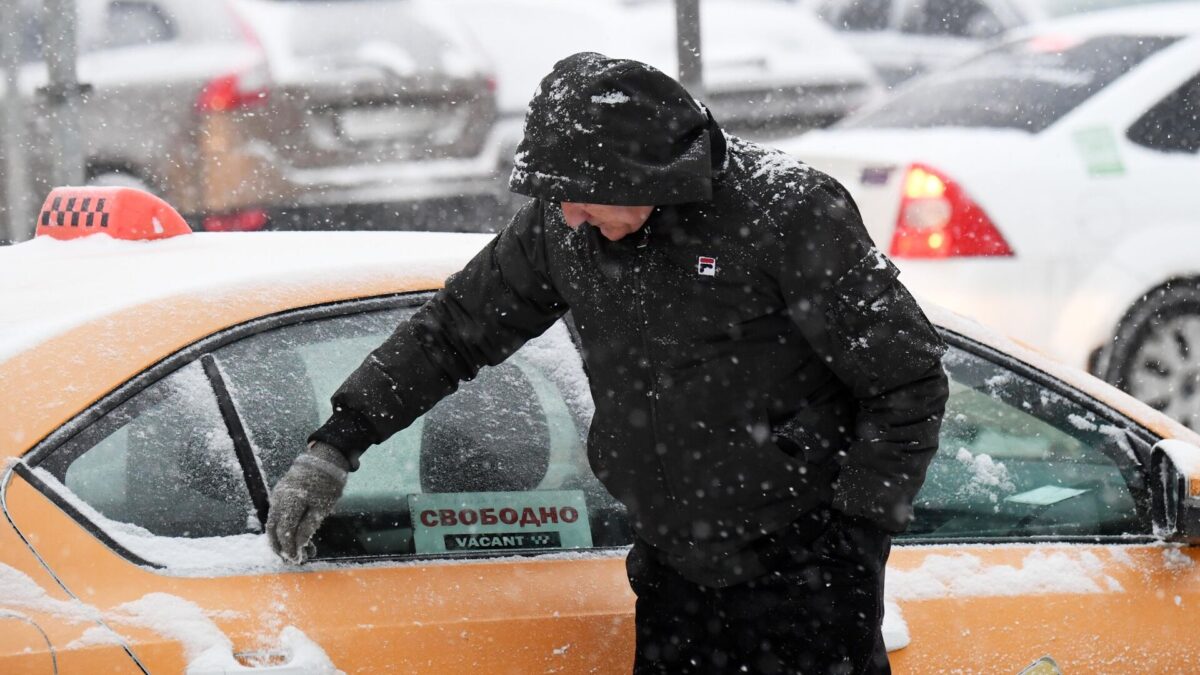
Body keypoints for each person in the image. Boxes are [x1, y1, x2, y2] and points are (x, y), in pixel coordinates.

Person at [266, 52, 949, 674]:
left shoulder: (786, 212)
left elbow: (908, 378)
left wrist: (854, 538)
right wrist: (340, 440)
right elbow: (453, 331)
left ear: (644, 170)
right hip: (673, 571)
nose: (565, 212)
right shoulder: (566, 229)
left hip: (804, 573)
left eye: (578, 193)